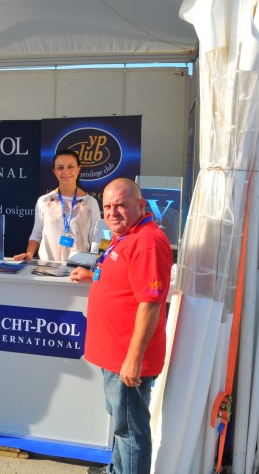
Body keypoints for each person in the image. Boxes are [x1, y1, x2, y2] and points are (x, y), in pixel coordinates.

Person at [70, 178, 172, 474]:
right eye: (108, 206)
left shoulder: (148, 242)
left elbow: (151, 303)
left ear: (141, 206)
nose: (113, 212)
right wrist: (93, 279)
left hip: (127, 358)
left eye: (121, 206)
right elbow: (126, 281)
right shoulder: (128, 235)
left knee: (131, 430)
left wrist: (133, 359)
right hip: (115, 354)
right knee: (121, 419)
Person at [13, 148, 100, 262]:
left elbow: (96, 240)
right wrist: (29, 254)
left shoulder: (90, 202)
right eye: (60, 168)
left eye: (70, 167)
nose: (65, 172)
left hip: (78, 269)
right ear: (54, 171)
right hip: (46, 268)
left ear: (78, 169)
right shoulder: (44, 201)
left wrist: (95, 264)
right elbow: (36, 234)